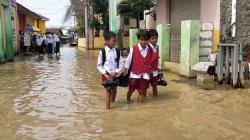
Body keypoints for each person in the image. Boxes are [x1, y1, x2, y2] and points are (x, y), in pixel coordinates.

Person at [97, 31, 123, 109]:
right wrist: (105, 74)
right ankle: (108, 109)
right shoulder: (103, 51)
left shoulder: (117, 51)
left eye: (115, 40)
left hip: (115, 74)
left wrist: (117, 72)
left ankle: (113, 103)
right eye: (113, 41)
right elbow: (99, 65)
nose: (114, 42)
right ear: (106, 41)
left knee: (114, 90)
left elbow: (121, 63)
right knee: (108, 91)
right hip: (106, 74)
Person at [124, 30, 151, 103]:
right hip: (134, 74)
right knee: (131, 90)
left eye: (145, 40)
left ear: (148, 40)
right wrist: (126, 69)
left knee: (142, 92)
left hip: (144, 75)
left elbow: (149, 61)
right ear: (138, 39)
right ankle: (128, 100)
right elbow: (128, 60)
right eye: (142, 40)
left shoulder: (149, 50)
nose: (143, 42)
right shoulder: (134, 48)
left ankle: (140, 107)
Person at [147, 29, 161, 96]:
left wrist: (159, 68)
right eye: (152, 38)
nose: (154, 40)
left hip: (155, 70)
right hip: (147, 71)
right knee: (144, 87)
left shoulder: (157, 47)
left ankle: (156, 97)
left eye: (156, 38)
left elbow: (158, 58)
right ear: (149, 39)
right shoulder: (146, 47)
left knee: (155, 85)